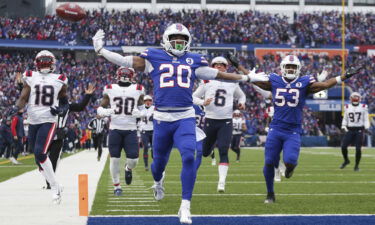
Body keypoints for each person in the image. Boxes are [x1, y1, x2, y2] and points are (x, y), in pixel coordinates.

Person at [92, 23, 267, 224]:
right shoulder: (153, 57)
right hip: (162, 119)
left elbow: (220, 75)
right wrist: (101, 50)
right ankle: (158, 182)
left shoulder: (194, 60)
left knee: (189, 156)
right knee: (158, 165)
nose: (179, 42)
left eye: (183, 40)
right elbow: (124, 60)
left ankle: (185, 206)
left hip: (184, 116)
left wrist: (247, 77)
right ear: (166, 39)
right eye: (175, 38)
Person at [251, 54, 361, 204]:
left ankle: (289, 169)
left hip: (293, 130)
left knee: (290, 161)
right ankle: (270, 193)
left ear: (298, 69)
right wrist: (240, 68)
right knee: (269, 161)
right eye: (288, 66)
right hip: (275, 128)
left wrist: (343, 76)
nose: (290, 69)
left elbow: (324, 85)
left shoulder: (304, 82)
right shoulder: (275, 80)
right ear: (282, 68)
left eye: (293, 67)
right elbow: (256, 81)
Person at [11, 50, 69, 204]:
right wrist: (16, 107)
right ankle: (55, 183)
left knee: (40, 152)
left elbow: (64, 102)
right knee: (36, 155)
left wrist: (61, 111)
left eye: (46, 62)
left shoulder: (60, 79)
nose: (44, 64)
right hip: (33, 121)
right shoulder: (31, 76)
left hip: (48, 121)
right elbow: (23, 97)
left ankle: (55, 187)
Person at [192, 56, 246, 193]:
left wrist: (242, 103)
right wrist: (202, 103)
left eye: (222, 65)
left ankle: (221, 182)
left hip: (226, 121)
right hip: (210, 120)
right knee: (205, 152)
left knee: (223, 150)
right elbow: (193, 96)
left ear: (226, 67)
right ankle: (210, 149)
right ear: (212, 67)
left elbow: (241, 95)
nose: (219, 67)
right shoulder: (206, 80)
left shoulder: (233, 82)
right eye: (216, 65)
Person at [97, 67, 144, 196]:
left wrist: (139, 113)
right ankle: (117, 186)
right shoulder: (110, 88)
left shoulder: (138, 89)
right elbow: (100, 108)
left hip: (131, 129)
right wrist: (105, 112)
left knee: (134, 160)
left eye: (127, 74)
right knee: (114, 159)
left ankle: (128, 168)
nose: (125, 76)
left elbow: (144, 110)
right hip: (115, 129)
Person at [43, 84, 94, 189]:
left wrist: (87, 96)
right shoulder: (45, 103)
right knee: (40, 157)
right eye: (63, 92)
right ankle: (47, 177)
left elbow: (80, 107)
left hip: (58, 134)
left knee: (53, 159)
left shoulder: (67, 105)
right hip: (46, 132)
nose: (65, 95)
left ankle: (49, 182)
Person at [340, 92, 370, 171]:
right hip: (350, 130)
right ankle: (346, 160)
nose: (355, 99)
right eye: (354, 97)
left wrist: (367, 127)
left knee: (358, 149)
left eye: (356, 97)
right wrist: (343, 126)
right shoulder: (347, 107)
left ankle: (356, 166)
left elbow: (366, 119)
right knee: (343, 146)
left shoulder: (363, 107)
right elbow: (345, 118)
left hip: (359, 130)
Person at [139, 95, 154, 171]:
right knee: (145, 148)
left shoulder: (154, 108)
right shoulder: (141, 108)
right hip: (144, 131)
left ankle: (155, 163)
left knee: (154, 148)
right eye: (146, 100)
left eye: (149, 100)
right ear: (144, 102)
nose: (148, 102)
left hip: (153, 130)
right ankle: (146, 165)